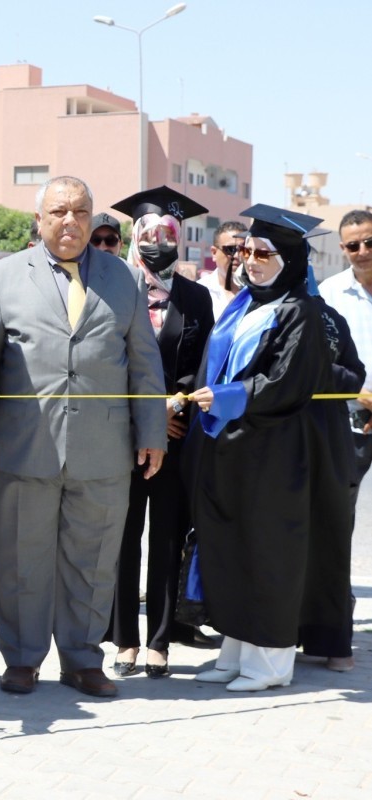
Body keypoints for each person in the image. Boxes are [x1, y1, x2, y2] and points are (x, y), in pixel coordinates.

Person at [0, 176, 165, 699]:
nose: (70, 222)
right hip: (24, 445)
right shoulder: (3, 277)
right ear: (39, 220)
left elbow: (144, 363)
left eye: (81, 212)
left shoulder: (125, 278)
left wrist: (152, 431)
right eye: (58, 211)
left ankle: (82, 660)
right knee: (22, 559)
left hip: (103, 449)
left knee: (94, 560)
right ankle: (22, 658)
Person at [185, 205, 327, 692]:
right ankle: (235, 651)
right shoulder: (244, 303)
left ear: (289, 259)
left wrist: (228, 397)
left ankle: (269, 664)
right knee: (230, 549)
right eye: (246, 251)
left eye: (263, 253)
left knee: (268, 552)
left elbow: (289, 383)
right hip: (230, 445)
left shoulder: (302, 311)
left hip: (274, 451)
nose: (250, 260)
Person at [106, 186, 215, 679]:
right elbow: (105, 362)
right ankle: (125, 639)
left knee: (167, 539)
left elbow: (201, 363)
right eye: (148, 235)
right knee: (124, 538)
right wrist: (143, 414)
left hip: (174, 435)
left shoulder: (195, 297)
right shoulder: (115, 288)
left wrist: (175, 406)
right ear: (135, 237)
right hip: (121, 435)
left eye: (168, 236)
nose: (158, 244)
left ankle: (160, 641)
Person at [299, 265, 364, 673]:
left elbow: (354, 376)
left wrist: (317, 369)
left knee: (331, 542)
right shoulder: (262, 314)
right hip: (279, 445)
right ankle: (284, 637)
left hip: (330, 442)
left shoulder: (330, 318)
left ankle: (335, 642)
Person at [316, 208, 372, 672]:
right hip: (351, 423)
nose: (363, 252)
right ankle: (336, 634)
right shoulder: (329, 295)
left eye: (370, 242)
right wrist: (359, 394)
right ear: (342, 249)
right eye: (353, 245)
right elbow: (322, 363)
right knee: (337, 527)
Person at [199, 221, 249, 320]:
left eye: (243, 250)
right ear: (214, 253)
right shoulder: (198, 292)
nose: (237, 256)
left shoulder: (259, 291)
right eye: (230, 249)